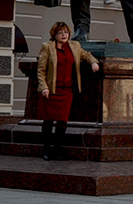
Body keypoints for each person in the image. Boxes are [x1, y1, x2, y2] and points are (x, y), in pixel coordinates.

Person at [36, 21, 100, 160]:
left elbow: (86, 55)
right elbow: (41, 70)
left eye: (66, 32)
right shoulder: (47, 47)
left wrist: (93, 62)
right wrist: (44, 87)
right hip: (52, 90)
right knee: (48, 122)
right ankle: (46, 150)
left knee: (62, 122)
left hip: (67, 91)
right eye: (60, 33)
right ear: (55, 34)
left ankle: (58, 150)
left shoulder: (74, 46)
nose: (64, 35)